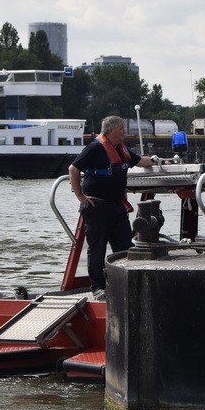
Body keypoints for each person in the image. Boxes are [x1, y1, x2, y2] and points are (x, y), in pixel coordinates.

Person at [68, 115, 156, 293]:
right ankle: (98, 287)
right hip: (96, 207)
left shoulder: (121, 149)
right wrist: (80, 196)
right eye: (121, 129)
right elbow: (73, 169)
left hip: (117, 207)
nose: (124, 132)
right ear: (110, 130)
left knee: (124, 247)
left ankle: (125, 285)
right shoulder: (94, 148)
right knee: (97, 248)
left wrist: (155, 161)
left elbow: (139, 161)